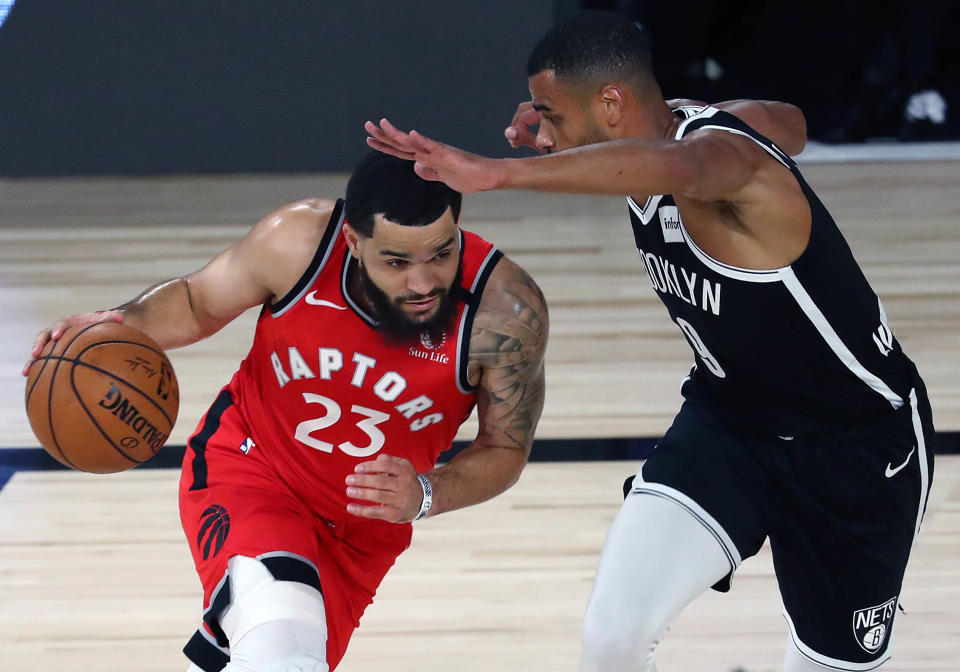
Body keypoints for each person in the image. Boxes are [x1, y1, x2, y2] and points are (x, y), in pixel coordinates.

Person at [365, 10, 935, 672]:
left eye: (550, 114)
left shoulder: (717, 163)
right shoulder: (685, 135)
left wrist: (496, 174)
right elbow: (793, 123)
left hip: (856, 450)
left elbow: (696, 161)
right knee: (613, 636)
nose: (538, 130)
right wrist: (589, 125)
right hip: (732, 426)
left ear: (611, 106)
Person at [23, 151, 548, 672]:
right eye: (396, 262)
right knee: (279, 641)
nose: (423, 282)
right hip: (252, 469)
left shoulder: (503, 312)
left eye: (441, 253)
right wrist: (118, 321)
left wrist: (426, 494)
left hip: (360, 534)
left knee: (267, 655)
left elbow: (505, 447)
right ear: (351, 241)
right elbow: (196, 302)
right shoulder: (298, 243)